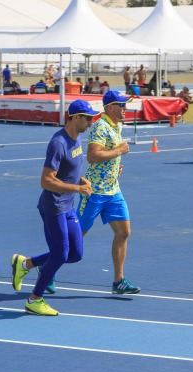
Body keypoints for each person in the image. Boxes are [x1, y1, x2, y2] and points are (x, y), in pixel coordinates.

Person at [10, 100, 99, 316]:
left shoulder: (76, 140)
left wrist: (82, 180)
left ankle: (26, 264)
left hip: (67, 205)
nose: (91, 122)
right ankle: (34, 299)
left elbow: (69, 171)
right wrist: (77, 189)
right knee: (60, 254)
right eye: (88, 118)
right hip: (54, 207)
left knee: (75, 254)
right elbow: (46, 181)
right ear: (75, 117)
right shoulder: (58, 143)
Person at [77, 90, 140, 295]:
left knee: (124, 232)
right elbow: (93, 157)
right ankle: (46, 270)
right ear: (110, 107)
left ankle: (118, 281)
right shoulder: (100, 128)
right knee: (75, 237)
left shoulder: (117, 125)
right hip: (93, 192)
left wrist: (115, 165)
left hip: (113, 191)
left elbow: (106, 155)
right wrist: (119, 152)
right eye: (122, 105)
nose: (125, 109)